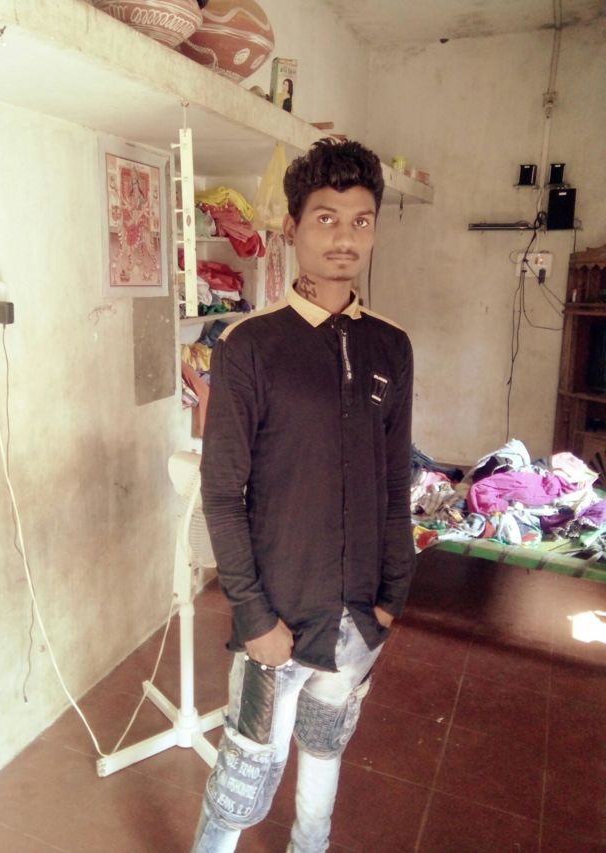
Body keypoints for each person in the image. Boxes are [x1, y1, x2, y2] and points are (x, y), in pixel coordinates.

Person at [192, 138, 415, 853]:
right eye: (326, 218)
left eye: (360, 220)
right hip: (277, 623)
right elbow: (221, 493)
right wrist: (253, 615)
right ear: (292, 228)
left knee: (325, 751)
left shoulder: (391, 346)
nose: (344, 237)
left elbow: (394, 481)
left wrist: (392, 595)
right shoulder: (250, 345)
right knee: (243, 778)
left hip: (359, 619)